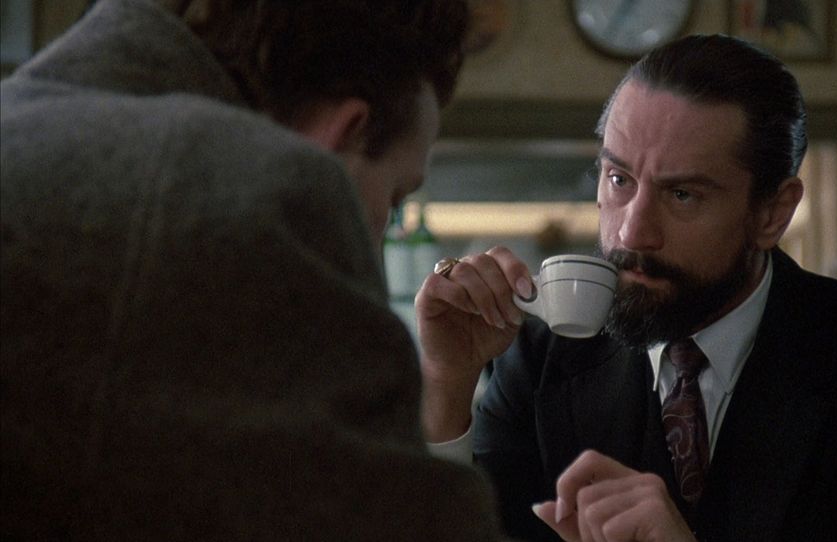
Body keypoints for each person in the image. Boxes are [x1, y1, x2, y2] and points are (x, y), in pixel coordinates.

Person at [416, 34, 837, 541]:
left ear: (772, 213)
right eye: (618, 178)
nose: (631, 232)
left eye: (682, 194)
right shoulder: (541, 355)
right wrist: (445, 383)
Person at [1, 0, 507, 540]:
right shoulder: (243, 197)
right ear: (345, 132)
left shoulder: (28, 123)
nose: (383, 230)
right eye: (395, 195)